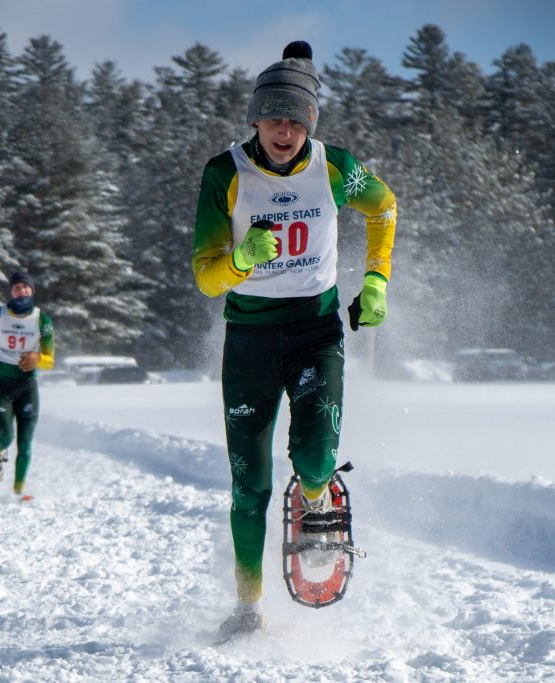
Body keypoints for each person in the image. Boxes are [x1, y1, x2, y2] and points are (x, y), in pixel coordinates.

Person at [191, 41, 397, 637]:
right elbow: (206, 277)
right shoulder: (225, 173)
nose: (285, 132)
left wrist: (376, 281)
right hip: (249, 340)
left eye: (297, 121)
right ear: (255, 119)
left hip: (315, 332)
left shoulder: (334, 166)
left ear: (311, 123)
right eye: (274, 119)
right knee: (248, 485)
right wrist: (240, 260)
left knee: (314, 456)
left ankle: (316, 495)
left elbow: (384, 208)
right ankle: (248, 607)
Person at [0, 272, 54, 499]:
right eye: (17, 287)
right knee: (6, 437)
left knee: (25, 443)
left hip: (27, 386)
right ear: (11, 292)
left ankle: (18, 491)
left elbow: (50, 360)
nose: (22, 291)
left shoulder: (42, 320)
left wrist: (37, 357)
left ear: (32, 291)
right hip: (2, 384)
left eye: (26, 287)